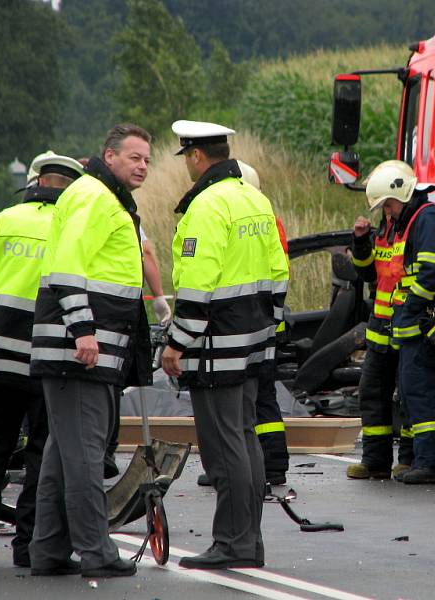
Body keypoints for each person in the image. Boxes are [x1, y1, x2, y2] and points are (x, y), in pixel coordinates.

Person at [0, 152, 85, 569]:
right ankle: (30, 545)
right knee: (42, 457)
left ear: (36, 181)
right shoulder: (74, 229)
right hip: (50, 362)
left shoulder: (4, 222)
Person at [162, 120, 289, 570]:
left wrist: (177, 343)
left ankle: (231, 544)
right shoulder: (254, 198)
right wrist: (268, 329)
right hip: (254, 343)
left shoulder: (206, 206)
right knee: (245, 438)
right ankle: (248, 541)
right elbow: (279, 273)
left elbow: (197, 286)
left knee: (223, 447)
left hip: (217, 347)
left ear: (196, 156)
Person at [28, 123, 153, 578]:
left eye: (147, 159)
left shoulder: (102, 197)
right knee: (83, 459)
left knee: (63, 458)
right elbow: (66, 267)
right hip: (80, 354)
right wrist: (83, 331)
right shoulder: (96, 196)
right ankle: (96, 552)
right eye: (134, 157)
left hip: (84, 355)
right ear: (110, 155)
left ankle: (48, 551)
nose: (142, 165)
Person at [368, 161, 435, 485]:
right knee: (412, 393)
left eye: (389, 205)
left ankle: (432, 465)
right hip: (419, 321)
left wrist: (410, 308)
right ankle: (419, 461)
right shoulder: (415, 221)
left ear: (403, 194)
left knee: (423, 393)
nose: (389, 213)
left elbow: (431, 271)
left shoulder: (430, 219)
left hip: (428, 321)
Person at [196, 160, 290, 488]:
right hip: (264, 322)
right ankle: (271, 465)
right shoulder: (265, 218)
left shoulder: (236, 216)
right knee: (260, 401)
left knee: (246, 409)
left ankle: (253, 468)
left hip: (240, 327)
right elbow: (278, 272)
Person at [347, 162, 416, 481]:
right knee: (372, 392)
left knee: (410, 396)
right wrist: (361, 241)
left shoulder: (417, 225)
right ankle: (375, 462)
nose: (386, 211)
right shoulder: (387, 228)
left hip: (408, 327)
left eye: (388, 205)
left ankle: (410, 461)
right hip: (381, 330)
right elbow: (368, 273)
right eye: (383, 207)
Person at [103, 225, 170, 479]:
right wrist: (159, 297)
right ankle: (105, 449)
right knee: (110, 381)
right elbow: (146, 255)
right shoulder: (121, 212)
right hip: (119, 312)